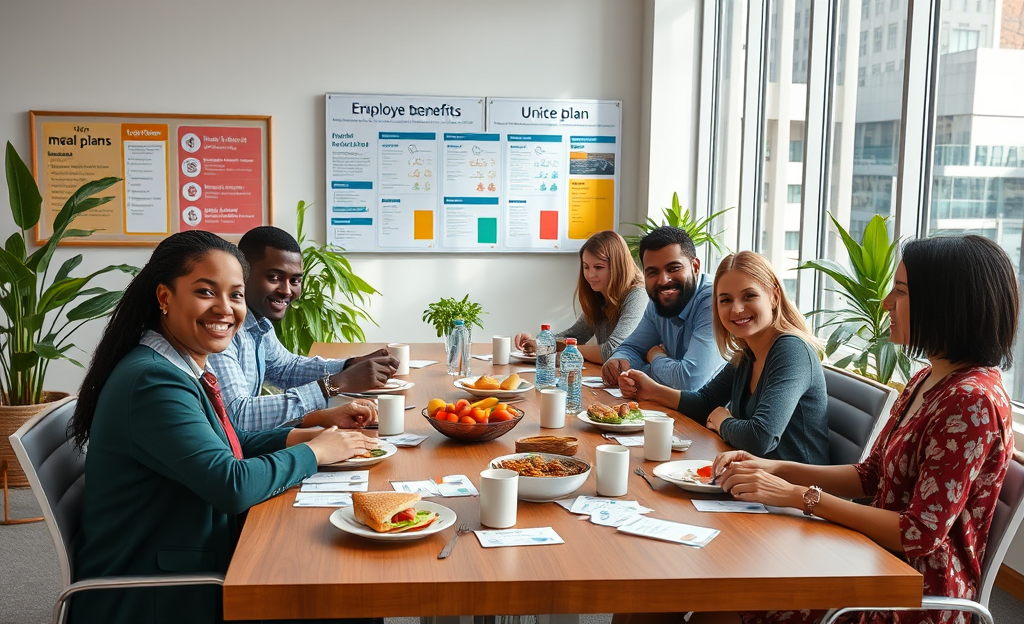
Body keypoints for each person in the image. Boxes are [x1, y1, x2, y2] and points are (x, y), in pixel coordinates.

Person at [69, 230, 379, 624]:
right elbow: (231, 486)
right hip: (160, 590)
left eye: (235, 295)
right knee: (349, 591)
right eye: (205, 292)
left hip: (190, 553)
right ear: (165, 297)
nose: (225, 309)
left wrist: (300, 435)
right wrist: (314, 453)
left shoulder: (174, 363)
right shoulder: (152, 382)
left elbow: (227, 442)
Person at [714, 235, 1018, 624]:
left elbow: (918, 534)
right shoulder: (926, 378)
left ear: (945, 303)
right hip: (869, 558)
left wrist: (796, 495)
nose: (886, 302)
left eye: (901, 291)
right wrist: (772, 469)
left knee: (729, 598)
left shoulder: (971, 401)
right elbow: (871, 475)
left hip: (910, 591)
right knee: (717, 588)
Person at [619, 251, 829, 464]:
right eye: (726, 300)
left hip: (796, 491)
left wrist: (722, 421)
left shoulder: (792, 350)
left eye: (749, 296)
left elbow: (760, 438)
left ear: (774, 296)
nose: (736, 309)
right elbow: (706, 403)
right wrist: (653, 391)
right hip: (751, 478)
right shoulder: (748, 352)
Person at [209, 225, 398, 431]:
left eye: (295, 280)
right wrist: (333, 384)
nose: (287, 290)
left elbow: (286, 368)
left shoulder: (258, 322)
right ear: (241, 273)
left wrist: (350, 365)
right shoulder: (221, 329)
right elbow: (239, 416)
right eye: (274, 277)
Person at [601, 226, 725, 392]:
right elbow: (631, 349)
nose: (663, 281)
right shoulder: (659, 300)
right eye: (652, 272)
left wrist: (654, 356)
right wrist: (617, 362)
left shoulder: (714, 301)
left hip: (711, 416)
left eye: (673, 268)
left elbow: (689, 382)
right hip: (672, 410)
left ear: (695, 267)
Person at [513, 230, 646, 364]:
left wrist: (569, 351)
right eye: (586, 267)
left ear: (618, 267)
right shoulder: (600, 296)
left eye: (598, 267)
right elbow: (574, 335)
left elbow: (612, 351)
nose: (590, 275)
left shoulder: (637, 296)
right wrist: (539, 342)